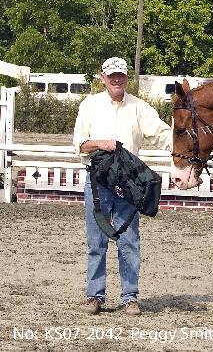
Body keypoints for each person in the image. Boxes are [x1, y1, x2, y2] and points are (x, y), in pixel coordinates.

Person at [73, 57, 172, 315]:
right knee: (96, 241)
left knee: (129, 240)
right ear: (103, 78)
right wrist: (101, 143)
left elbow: (162, 134)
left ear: (127, 78)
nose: (116, 79)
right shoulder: (90, 105)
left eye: (121, 75)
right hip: (98, 182)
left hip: (129, 184)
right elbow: (80, 145)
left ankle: (130, 296)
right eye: (112, 75)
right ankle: (94, 295)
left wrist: (188, 145)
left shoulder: (140, 108)